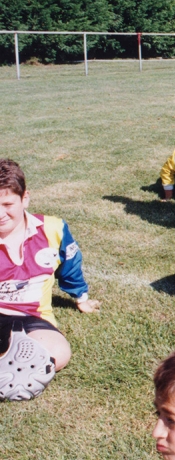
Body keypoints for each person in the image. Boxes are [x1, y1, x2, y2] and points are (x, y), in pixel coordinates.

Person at [0, 159, 100, 394]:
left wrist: (81, 298)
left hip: (32, 319)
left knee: (59, 352)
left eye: (7, 204)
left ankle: (15, 363)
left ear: (25, 198)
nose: (0, 214)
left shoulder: (53, 229)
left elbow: (70, 266)